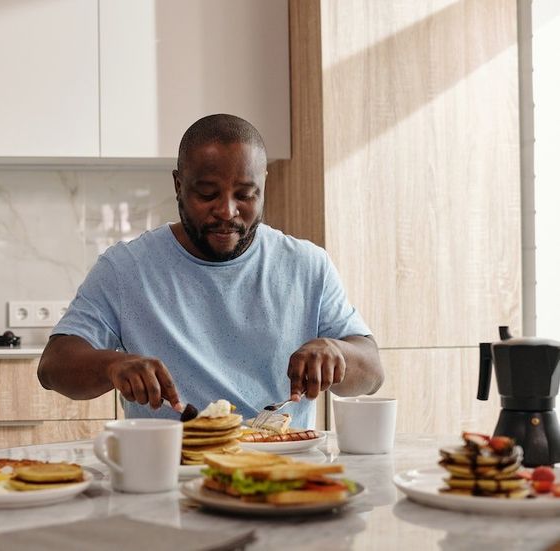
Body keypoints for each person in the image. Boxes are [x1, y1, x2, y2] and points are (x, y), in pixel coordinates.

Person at [37, 114, 384, 428]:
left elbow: (372, 374)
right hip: (171, 472)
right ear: (178, 185)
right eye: (207, 194)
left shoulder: (307, 265)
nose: (227, 211)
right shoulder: (125, 268)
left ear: (262, 185)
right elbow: (53, 367)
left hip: (282, 473)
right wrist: (111, 366)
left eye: (245, 195)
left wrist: (338, 354)